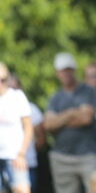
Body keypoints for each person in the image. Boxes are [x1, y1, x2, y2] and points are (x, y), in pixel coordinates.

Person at [43, 52, 96, 193]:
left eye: (69, 69)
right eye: (63, 71)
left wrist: (60, 120)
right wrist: (72, 113)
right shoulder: (55, 98)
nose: (66, 74)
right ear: (57, 73)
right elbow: (48, 125)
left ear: (74, 70)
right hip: (61, 157)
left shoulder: (87, 91)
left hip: (88, 154)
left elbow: (87, 118)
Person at [7, 75, 45, 193]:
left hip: (27, 162)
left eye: (15, 87)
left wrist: (23, 153)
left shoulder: (31, 108)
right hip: (6, 161)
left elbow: (40, 137)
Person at [0, 63, 33, 193]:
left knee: (22, 189)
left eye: (2, 80)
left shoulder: (17, 96)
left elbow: (28, 128)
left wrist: (21, 154)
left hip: (14, 155)